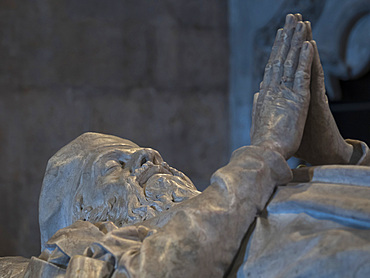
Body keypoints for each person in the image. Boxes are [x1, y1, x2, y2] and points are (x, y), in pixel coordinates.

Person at [1, 13, 369, 277]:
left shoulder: (245, 197)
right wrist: (265, 151)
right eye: (115, 166)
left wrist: (338, 156)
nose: (148, 154)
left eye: (137, 150)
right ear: (84, 217)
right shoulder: (89, 255)